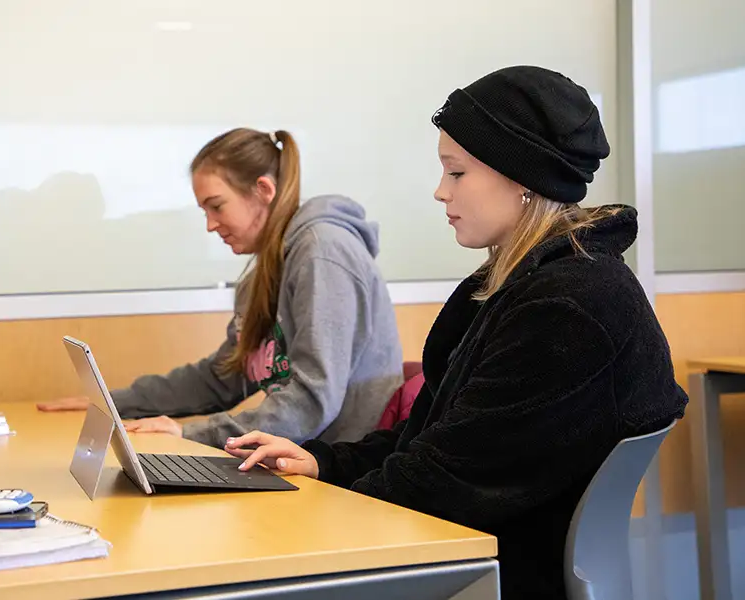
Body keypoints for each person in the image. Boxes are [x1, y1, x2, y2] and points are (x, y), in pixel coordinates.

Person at [223, 66, 689, 599]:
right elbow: (433, 441)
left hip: (491, 570)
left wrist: (327, 503)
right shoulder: (517, 284)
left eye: (457, 173)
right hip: (468, 549)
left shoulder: (570, 306)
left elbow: (445, 481)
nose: (441, 192)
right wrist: (322, 463)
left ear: (520, 177)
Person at [37, 128, 404, 449]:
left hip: (343, 472)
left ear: (263, 190)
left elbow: (310, 402)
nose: (211, 225)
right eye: (204, 211)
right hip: (301, 460)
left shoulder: (323, 252)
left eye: (217, 206)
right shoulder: (264, 272)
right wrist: (113, 403)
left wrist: (190, 435)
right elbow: (224, 376)